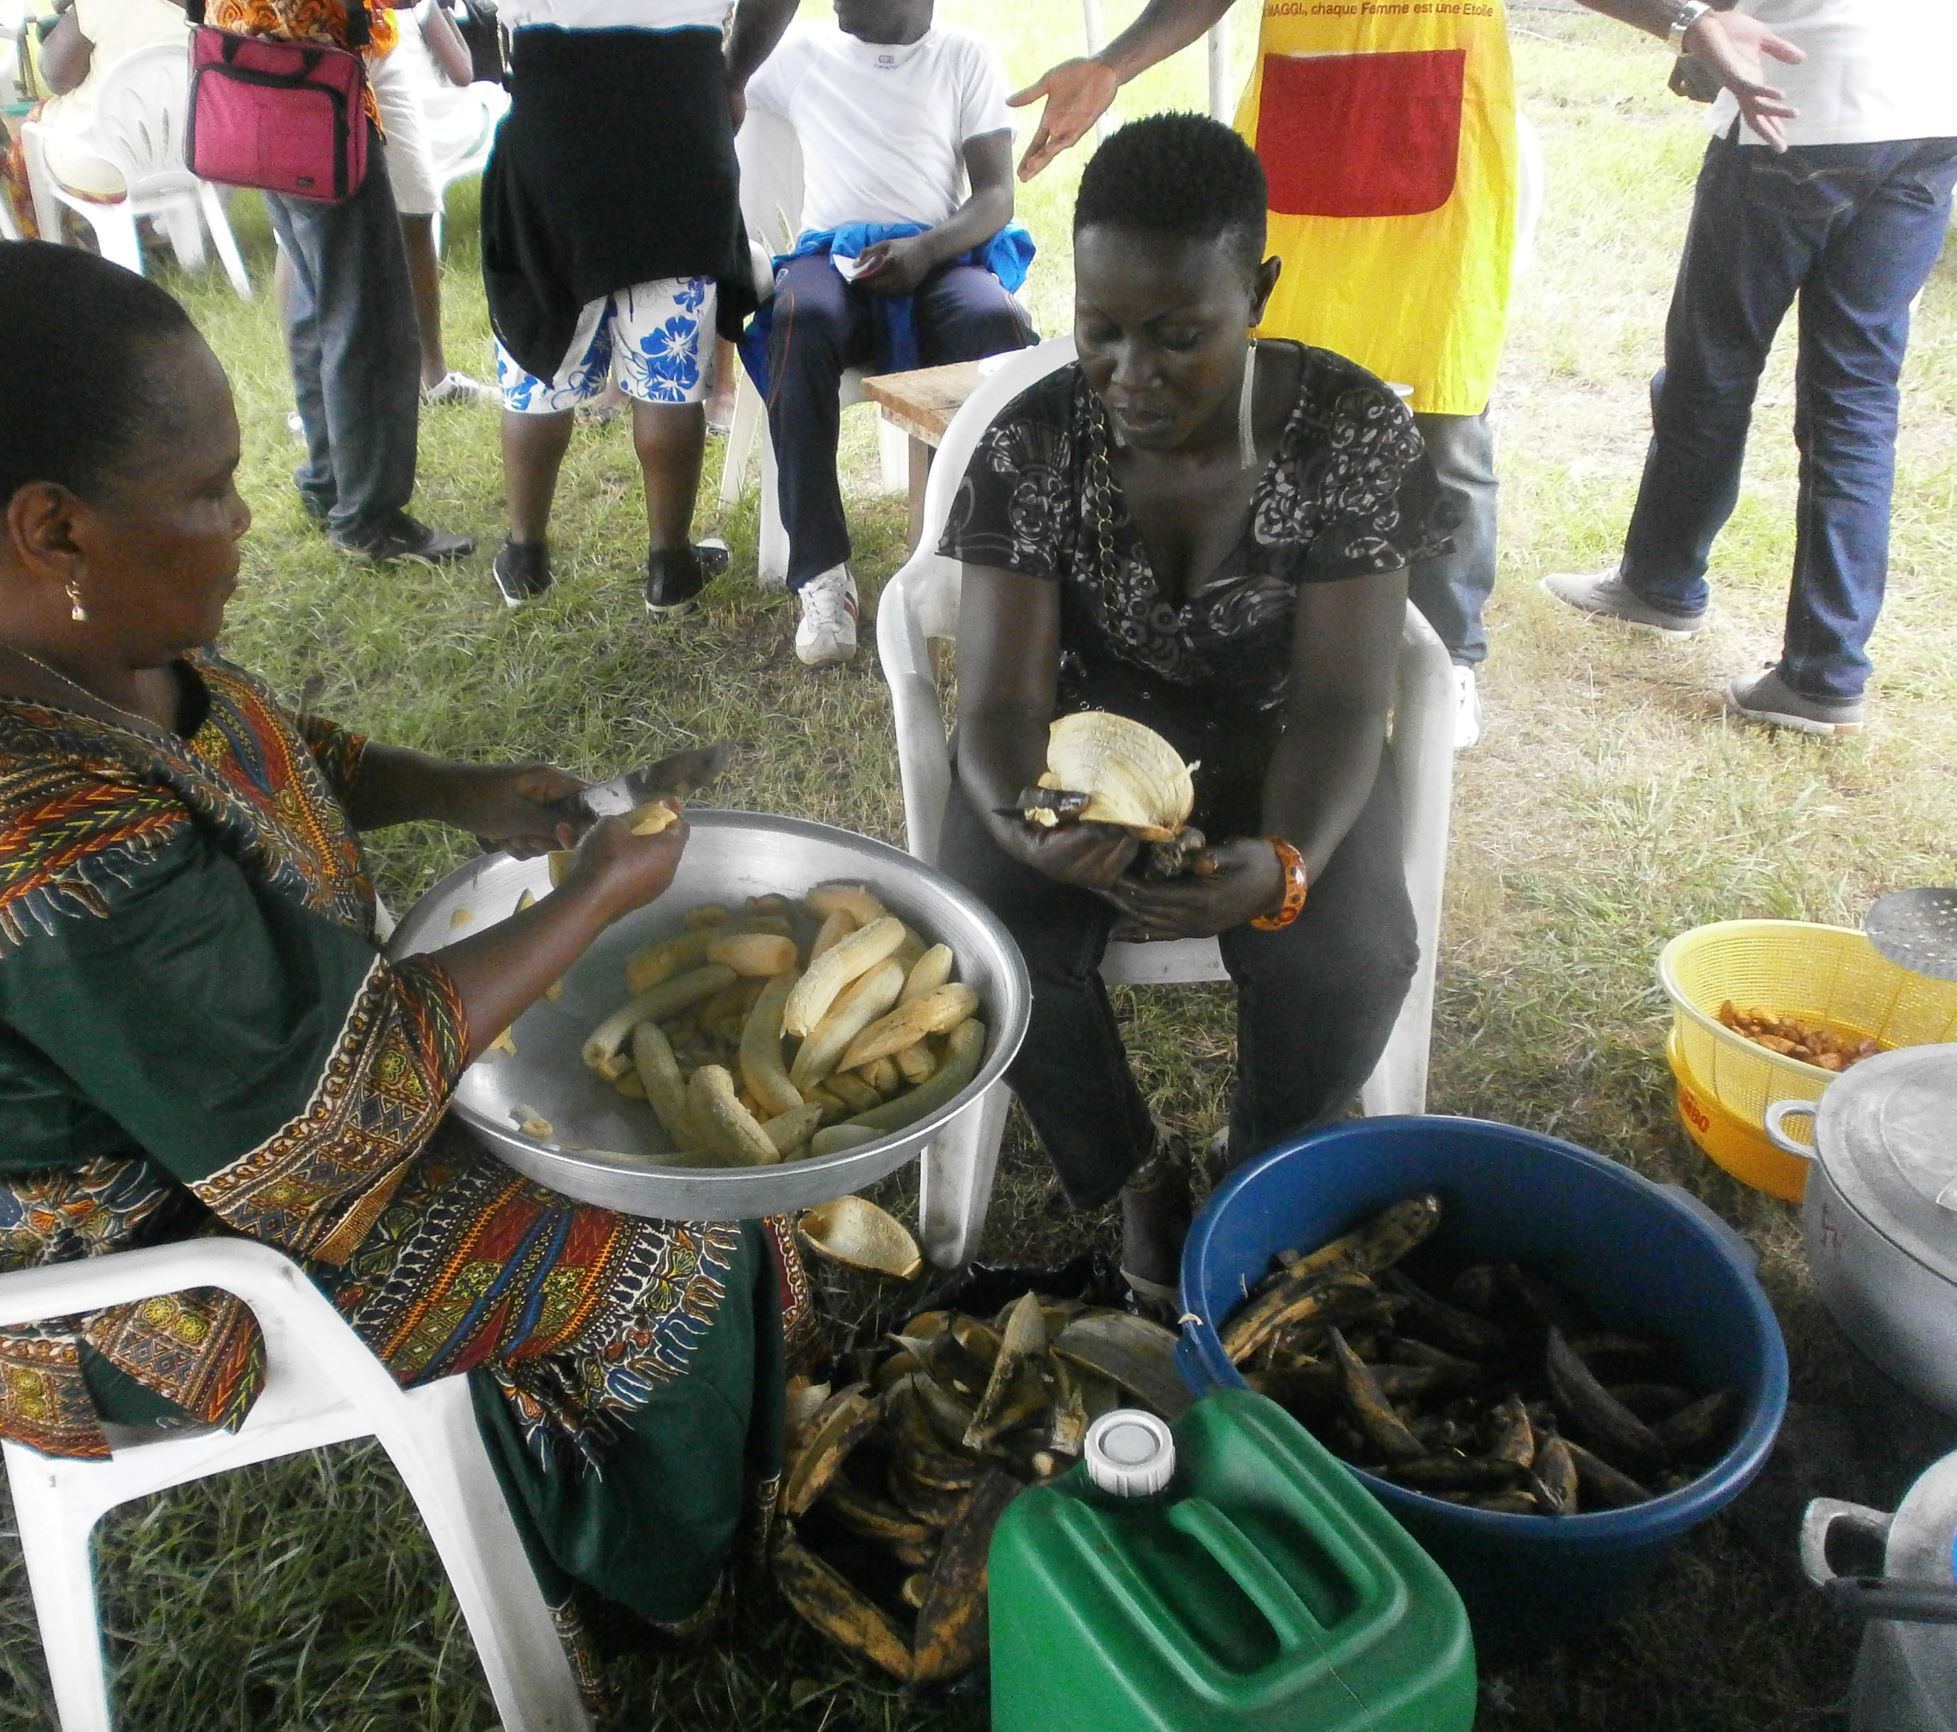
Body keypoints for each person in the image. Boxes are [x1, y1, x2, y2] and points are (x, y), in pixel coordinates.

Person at [0, 244, 811, 1706]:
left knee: (645, 1158)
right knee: (662, 1239)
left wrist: (452, 788)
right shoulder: (1, 823)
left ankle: (689, 1478)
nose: (245, 517)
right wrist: (589, 901)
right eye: (208, 489)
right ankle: (665, 1589)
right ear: (52, 524)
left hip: (232, 1120)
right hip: (138, 1278)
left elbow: (244, 748)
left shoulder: (24, 610)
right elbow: (321, 1133)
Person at [937, 116, 1444, 1306]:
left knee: (1352, 956)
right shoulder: (1035, 441)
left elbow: (1336, 703)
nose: (1129, 373)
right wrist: (1025, 823)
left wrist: (1282, 860)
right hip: (1082, 759)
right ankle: (1130, 1185)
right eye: (1100, 329)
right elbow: (1003, 702)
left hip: (1280, 750)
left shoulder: (1348, 433)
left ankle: (1256, 1167)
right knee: (986, 934)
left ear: (1255, 292)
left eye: (1178, 335)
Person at [1008, 0, 1803, 752]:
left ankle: (1446, 657)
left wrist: (1684, 19)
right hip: (1299, 152)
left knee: (1446, 421)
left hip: (1441, 158)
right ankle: (1269, 632)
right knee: (1266, 407)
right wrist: (1115, 65)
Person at [1542, 0, 1957, 737]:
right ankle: (1824, 673)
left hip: (1795, 107)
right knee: (1856, 399)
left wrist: (1692, 25)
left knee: (1712, 369)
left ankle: (1660, 584)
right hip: (1928, 112)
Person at [741, 0, 1035, 668]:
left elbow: (995, 197)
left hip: (937, 253)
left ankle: (963, 550)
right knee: (796, 323)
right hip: (829, 255)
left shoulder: (963, 56)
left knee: (997, 327)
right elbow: (715, 71)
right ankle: (822, 575)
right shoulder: (798, 53)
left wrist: (926, 251)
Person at [478, 0, 796, 615]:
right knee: (670, 367)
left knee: (541, 345)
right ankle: (669, 569)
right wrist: (732, 76)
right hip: (679, 109)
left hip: (553, 109)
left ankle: (523, 558)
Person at [215, 0, 475, 564]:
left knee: (319, 303)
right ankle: (368, 519)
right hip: (320, 91)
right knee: (369, 318)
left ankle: (330, 481)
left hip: (259, 72)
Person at [366, 0, 501, 405]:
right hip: (327, 47)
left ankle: (432, 380)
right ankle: (323, 401)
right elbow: (464, 70)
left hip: (371, 50)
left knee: (414, 211)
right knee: (311, 223)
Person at [27, 0, 190, 202]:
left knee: (29, 132)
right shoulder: (226, 9)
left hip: (104, 170)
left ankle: (46, 231)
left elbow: (57, 77)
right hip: (192, 162)